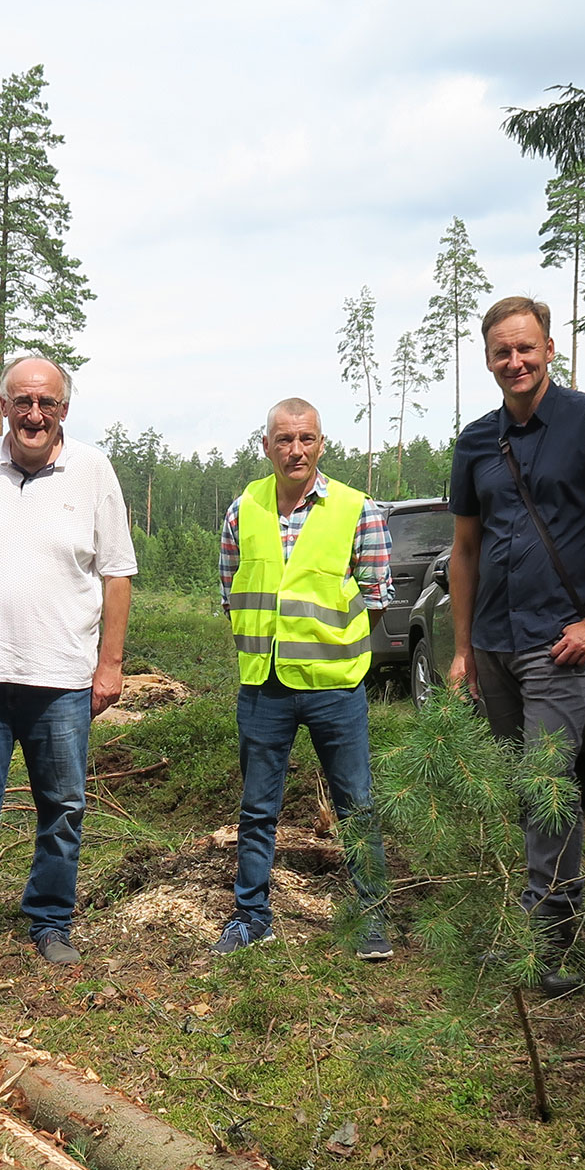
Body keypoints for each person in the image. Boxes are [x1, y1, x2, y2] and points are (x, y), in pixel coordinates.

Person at [445, 296, 585, 996]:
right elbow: (463, 550)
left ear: (550, 349)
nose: (516, 361)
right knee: (518, 790)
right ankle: (532, 916)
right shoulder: (475, 441)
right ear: (489, 358)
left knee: (547, 786)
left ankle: (549, 945)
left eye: (526, 348)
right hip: (494, 645)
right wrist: (463, 647)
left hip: (558, 644)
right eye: (502, 351)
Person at [0, 356, 136, 989]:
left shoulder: (94, 472)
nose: (33, 414)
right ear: (4, 407)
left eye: (46, 403)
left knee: (62, 810)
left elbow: (116, 574)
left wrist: (110, 665)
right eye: (22, 401)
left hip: (63, 680)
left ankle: (49, 922)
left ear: (64, 409)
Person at [211, 398, 395, 960]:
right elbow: (230, 593)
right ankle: (252, 917)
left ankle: (370, 920)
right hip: (264, 685)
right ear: (265, 445)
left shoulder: (358, 510)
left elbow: (377, 600)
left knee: (356, 804)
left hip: (335, 688)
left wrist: (332, 652)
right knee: (257, 807)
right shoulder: (245, 509)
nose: (296, 450)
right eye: (284, 440)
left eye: (306, 439)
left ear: (321, 444)